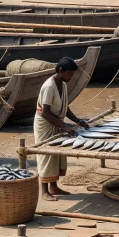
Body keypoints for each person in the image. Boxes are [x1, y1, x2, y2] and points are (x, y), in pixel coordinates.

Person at [34, 57, 90, 200]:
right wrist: (64, 127)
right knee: (46, 155)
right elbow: (45, 112)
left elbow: (65, 106)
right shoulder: (49, 86)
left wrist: (78, 120)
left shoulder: (63, 85)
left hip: (57, 122)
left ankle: (53, 187)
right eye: (70, 73)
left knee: (57, 155)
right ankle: (44, 192)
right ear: (61, 71)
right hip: (45, 124)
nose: (71, 77)